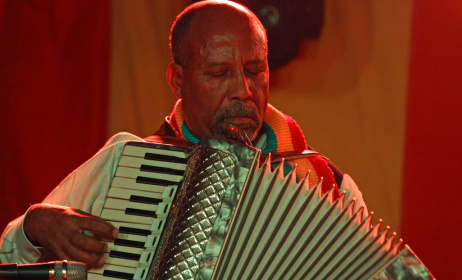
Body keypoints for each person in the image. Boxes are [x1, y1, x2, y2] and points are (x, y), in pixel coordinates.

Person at [0, 0, 367, 269]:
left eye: (255, 70)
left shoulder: (327, 184)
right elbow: (9, 253)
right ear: (178, 80)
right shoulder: (125, 164)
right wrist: (33, 227)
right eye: (219, 73)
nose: (243, 89)